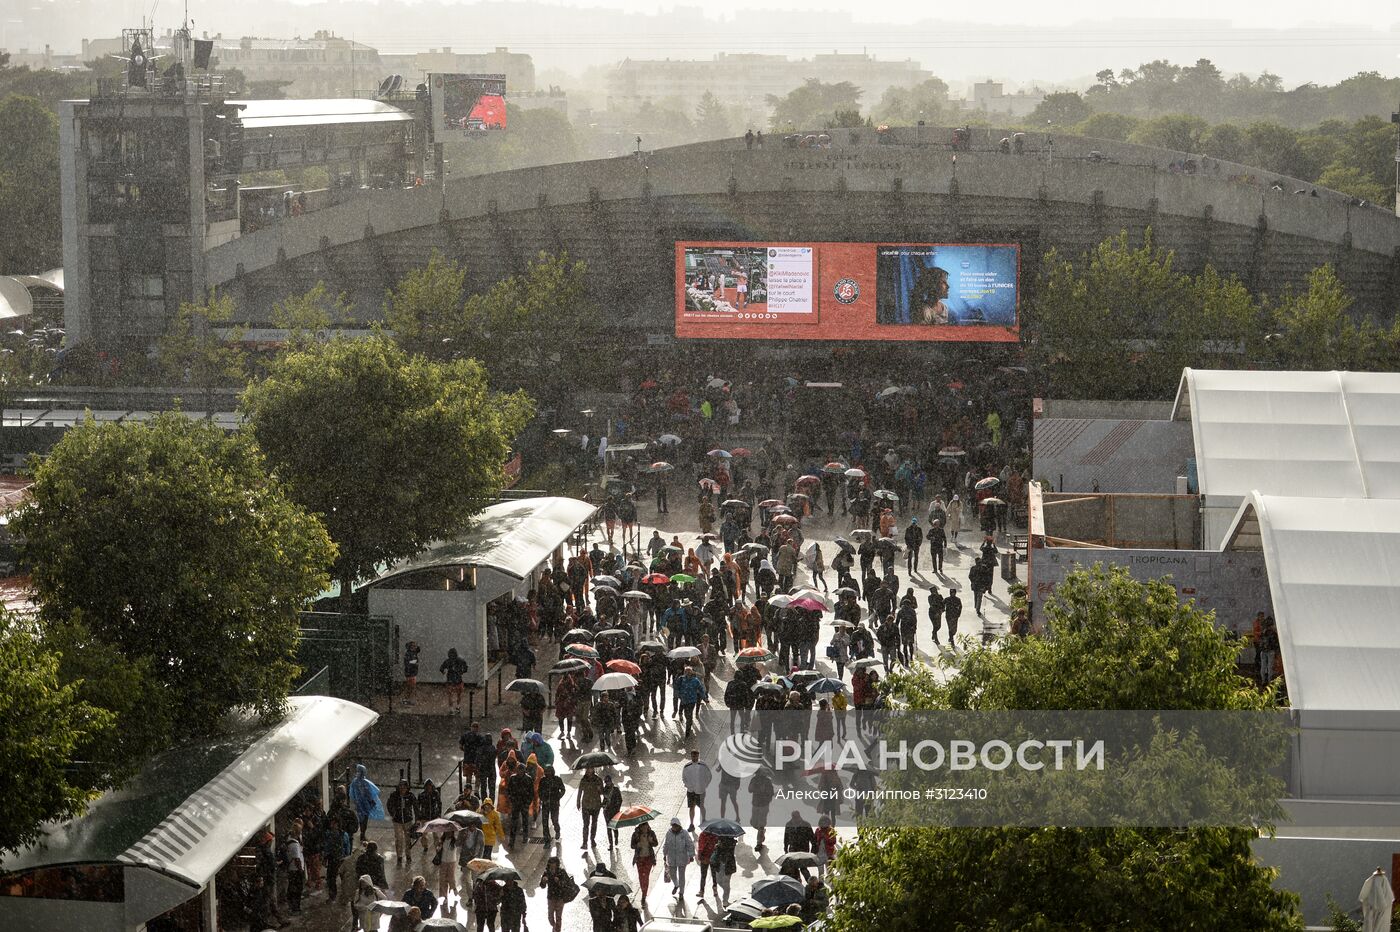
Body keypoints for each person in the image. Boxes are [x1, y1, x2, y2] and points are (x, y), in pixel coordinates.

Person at [662, 817, 696, 902]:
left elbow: (689, 844)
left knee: (682, 876)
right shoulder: (668, 833)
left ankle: (681, 892)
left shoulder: (684, 833)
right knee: (672, 874)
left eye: (675, 826)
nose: (674, 828)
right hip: (672, 858)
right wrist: (664, 853)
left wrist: (691, 855)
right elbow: (666, 844)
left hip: (682, 858)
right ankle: (676, 885)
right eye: (673, 826)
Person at [540, 856, 576, 932]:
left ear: (557, 864)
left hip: (560, 897)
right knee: (550, 916)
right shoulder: (547, 872)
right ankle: (554, 926)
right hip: (551, 897)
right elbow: (542, 886)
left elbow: (567, 884)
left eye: (554, 863)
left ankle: (557, 930)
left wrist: (559, 882)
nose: (552, 865)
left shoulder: (561, 872)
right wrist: (543, 881)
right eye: (551, 863)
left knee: (558, 916)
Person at [387, 779, 418, 867]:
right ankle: (399, 856)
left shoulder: (410, 796)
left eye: (404, 787)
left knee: (408, 839)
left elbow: (415, 807)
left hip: (408, 820)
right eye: (401, 787)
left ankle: (408, 855)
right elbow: (389, 804)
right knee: (398, 839)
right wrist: (393, 814)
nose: (402, 789)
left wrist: (417, 819)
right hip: (397, 821)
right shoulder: (394, 795)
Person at [348, 764, 382, 842]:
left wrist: (355, 801)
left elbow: (352, 793)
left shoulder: (355, 782)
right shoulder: (364, 782)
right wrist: (372, 801)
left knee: (361, 819)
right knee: (364, 820)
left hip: (359, 804)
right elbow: (368, 793)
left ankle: (362, 834)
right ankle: (362, 835)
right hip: (365, 804)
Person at [682, 748, 713, 830]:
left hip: (701, 790)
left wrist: (704, 785)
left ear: (698, 756)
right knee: (691, 807)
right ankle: (691, 824)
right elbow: (684, 778)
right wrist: (688, 786)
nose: (694, 757)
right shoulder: (687, 766)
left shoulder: (703, 765)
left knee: (702, 806)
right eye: (693, 756)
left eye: (695, 756)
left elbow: (709, 776)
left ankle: (704, 820)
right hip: (690, 791)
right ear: (691, 756)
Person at [674, 664, 707, 737]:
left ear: (692, 672)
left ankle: (688, 730)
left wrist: (704, 698)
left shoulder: (695, 680)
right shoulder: (681, 679)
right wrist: (678, 695)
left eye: (689, 671)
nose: (688, 673)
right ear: (685, 672)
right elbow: (676, 687)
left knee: (689, 714)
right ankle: (689, 721)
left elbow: (701, 689)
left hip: (692, 701)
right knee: (686, 714)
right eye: (686, 671)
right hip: (684, 700)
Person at [578, 766, 604, 849]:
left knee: (594, 823)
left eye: (591, 769)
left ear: (593, 770)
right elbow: (580, 791)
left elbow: (601, 792)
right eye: (588, 770)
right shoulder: (583, 780)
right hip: (586, 805)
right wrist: (578, 801)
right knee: (586, 824)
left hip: (596, 805)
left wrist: (599, 789)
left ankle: (592, 839)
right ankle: (585, 842)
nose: (589, 771)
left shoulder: (598, 780)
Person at [632, 819, 658, 899]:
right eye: (643, 828)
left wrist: (651, 841)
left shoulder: (651, 833)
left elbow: (656, 843)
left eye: (646, 827)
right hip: (639, 859)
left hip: (649, 858)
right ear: (640, 827)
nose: (644, 829)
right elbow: (632, 846)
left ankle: (644, 893)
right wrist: (637, 845)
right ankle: (643, 889)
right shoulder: (635, 834)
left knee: (646, 876)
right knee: (641, 876)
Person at [749, 767, 775, 849]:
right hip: (755, 804)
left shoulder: (767, 781)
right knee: (753, 823)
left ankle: (759, 843)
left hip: (764, 805)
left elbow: (771, 793)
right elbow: (749, 790)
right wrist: (754, 787)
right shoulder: (754, 780)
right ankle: (762, 831)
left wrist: (764, 791)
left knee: (761, 824)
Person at [538, 764, 565, 842]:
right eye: (547, 772)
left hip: (554, 804)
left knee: (554, 820)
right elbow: (539, 791)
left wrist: (558, 797)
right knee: (545, 822)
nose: (548, 773)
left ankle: (557, 830)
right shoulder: (543, 780)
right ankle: (547, 838)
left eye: (550, 771)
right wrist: (543, 799)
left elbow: (563, 789)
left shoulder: (557, 779)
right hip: (546, 804)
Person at [441, 648, 469, 712]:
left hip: (450, 680)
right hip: (458, 680)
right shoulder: (460, 660)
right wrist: (461, 671)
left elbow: (441, 668)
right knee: (459, 694)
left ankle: (451, 709)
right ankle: (458, 706)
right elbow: (466, 668)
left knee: (450, 695)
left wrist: (443, 672)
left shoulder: (447, 661)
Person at [602, 773, 624, 850]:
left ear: (611, 781)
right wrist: (603, 805)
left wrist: (617, 808)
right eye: (606, 782)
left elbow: (620, 800)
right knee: (608, 828)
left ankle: (616, 838)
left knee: (614, 827)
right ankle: (610, 844)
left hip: (614, 811)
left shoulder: (615, 790)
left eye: (608, 781)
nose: (607, 783)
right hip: (607, 812)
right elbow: (604, 800)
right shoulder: (604, 790)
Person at [403, 640, 421, 705]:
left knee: (411, 687)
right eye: (413, 646)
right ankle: (408, 699)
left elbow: (418, 649)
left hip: (413, 672)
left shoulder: (414, 652)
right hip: (410, 673)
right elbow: (407, 663)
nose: (415, 647)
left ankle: (408, 699)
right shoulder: (408, 653)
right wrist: (414, 662)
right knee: (410, 687)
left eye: (415, 646)